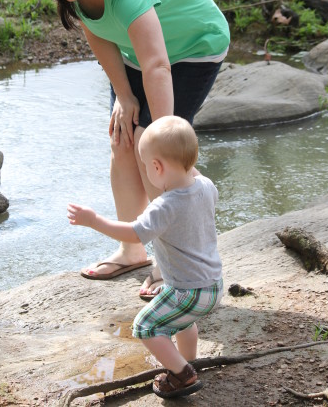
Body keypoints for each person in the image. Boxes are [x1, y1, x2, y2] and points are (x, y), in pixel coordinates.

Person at [17, 0, 230, 298]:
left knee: (153, 146)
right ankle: (132, 250)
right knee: (122, 138)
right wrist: (124, 95)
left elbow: (158, 65)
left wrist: (162, 138)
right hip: (140, 52)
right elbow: (97, 32)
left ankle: (173, 264)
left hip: (194, 47)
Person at [67, 115, 223, 399]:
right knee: (182, 321)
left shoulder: (164, 206)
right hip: (212, 287)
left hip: (186, 291)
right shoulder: (207, 186)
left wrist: (94, 220)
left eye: (144, 165)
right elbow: (188, 168)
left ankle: (183, 375)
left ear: (156, 167)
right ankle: (188, 363)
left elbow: (134, 233)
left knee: (145, 326)